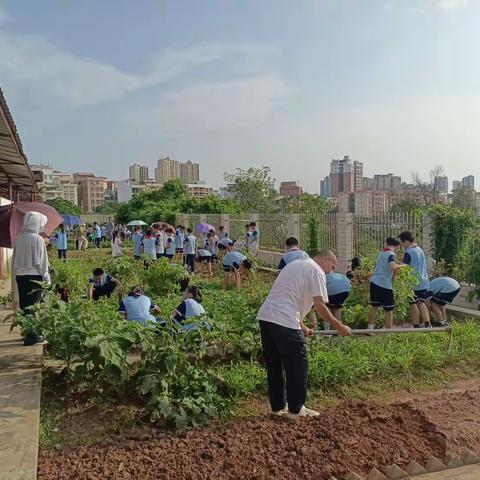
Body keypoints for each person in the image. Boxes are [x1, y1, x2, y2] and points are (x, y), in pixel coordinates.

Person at [256, 250, 352, 419]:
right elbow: (320, 305)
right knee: (299, 364)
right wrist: (339, 326)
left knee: (275, 366)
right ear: (326, 259)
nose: (331, 271)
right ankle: (296, 409)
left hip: (266, 317)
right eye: (332, 266)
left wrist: (301, 326)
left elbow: (287, 298)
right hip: (284, 319)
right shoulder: (316, 270)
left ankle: (278, 408)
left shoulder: (295, 265)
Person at [12, 212, 50, 321]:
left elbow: (15, 258)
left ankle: (27, 331)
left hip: (20, 277)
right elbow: (42, 262)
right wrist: (46, 278)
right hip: (35, 277)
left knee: (24, 306)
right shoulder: (38, 239)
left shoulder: (19, 238)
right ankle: (33, 334)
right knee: (34, 305)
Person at [368, 237, 405, 330]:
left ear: (386, 243)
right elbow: (392, 266)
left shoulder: (381, 253)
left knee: (374, 306)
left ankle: (370, 328)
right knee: (389, 309)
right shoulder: (391, 254)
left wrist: (397, 264)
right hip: (384, 284)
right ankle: (388, 329)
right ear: (396, 246)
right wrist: (403, 266)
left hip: (374, 282)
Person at [399, 231, 430, 328]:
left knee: (413, 303)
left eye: (402, 242)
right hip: (423, 281)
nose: (402, 245)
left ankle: (416, 324)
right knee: (421, 302)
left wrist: (396, 265)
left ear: (407, 241)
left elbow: (404, 267)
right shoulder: (419, 250)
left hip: (413, 283)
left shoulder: (408, 252)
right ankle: (427, 323)